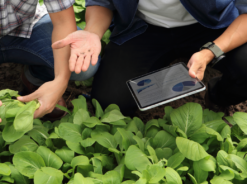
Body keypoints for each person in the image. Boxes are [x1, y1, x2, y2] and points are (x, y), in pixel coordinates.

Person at [53, 0, 247, 116]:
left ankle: (218, 96)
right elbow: (102, 2)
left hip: (211, 25)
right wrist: (92, 32)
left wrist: (210, 52)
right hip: (144, 28)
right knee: (111, 102)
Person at [0, 0, 100, 123]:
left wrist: (60, 81)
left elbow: (62, 21)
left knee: (82, 62)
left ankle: (37, 79)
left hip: (27, 27)